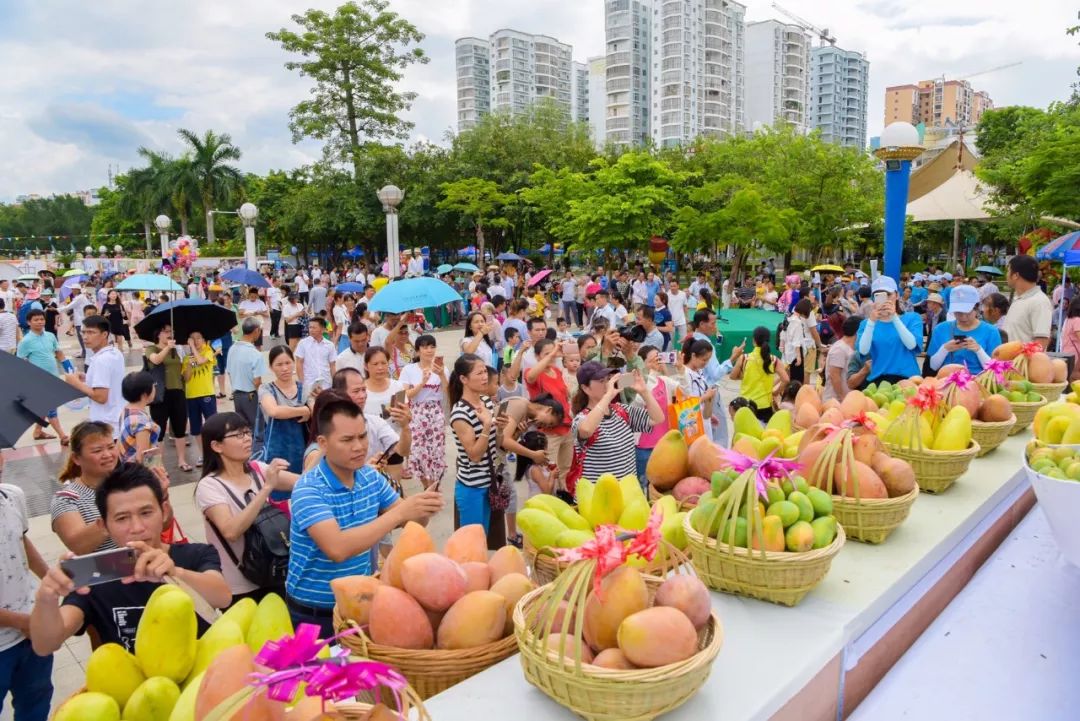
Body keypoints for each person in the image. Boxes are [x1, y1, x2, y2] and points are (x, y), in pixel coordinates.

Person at [30, 463, 231, 654]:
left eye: (146, 512)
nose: (137, 527)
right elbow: (46, 645)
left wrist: (175, 573)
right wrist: (46, 597)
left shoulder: (195, 554)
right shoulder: (96, 575)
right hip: (139, 688)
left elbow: (222, 596)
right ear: (103, 526)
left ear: (164, 512)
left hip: (204, 682)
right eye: (122, 518)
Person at [286, 397, 443, 635]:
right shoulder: (309, 488)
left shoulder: (369, 478)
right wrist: (400, 513)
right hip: (315, 612)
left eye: (362, 436)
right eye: (347, 440)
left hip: (359, 604)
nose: (359, 446)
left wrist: (422, 508)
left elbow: (411, 521)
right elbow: (337, 548)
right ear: (323, 443)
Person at [196, 413, 298, 602]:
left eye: (247, 432)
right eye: (237, 435)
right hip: (237, 587)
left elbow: (304, 483)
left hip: (272, 574)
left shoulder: (257, 469)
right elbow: (231, 531)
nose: (247, 438)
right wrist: (267, 488)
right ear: (216, 446)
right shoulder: (209, 486)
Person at [0, 478, 52, 721]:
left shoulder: (11, 495)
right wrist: (23, 622)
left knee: (36, 701)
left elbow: (21, 542)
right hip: (12, 636)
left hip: (31, 633)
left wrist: (51, 579)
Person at [570, 362, 664, 483]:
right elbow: (586, 430)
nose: (607, 384)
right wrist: (608, 395)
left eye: (608, 379)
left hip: (627, 493)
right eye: (601, 381)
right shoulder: (582, 418)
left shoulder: (620, 410)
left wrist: (644, 392)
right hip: (598, 496)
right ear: (585, 388)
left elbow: (657, 418)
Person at [448, 353, 504, 534]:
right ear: (464, 379)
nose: (485, 377)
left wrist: (502, 428)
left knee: (484, 536)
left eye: (484, 372)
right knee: (471, 542)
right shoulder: (460, 413)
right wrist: (487, 426)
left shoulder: (486, 401)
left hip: (490, 482)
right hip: (472, 487)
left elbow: (496, 445)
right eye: (479, 373)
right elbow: (474, 455)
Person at [65, 315, 126, 438]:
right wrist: (87, 378)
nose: (85, 337)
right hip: (117, 419)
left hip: (106, 424)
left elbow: (100, 397)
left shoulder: (101, 360)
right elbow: (110, 380)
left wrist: (76, 383)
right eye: (83, 332)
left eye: (91, 332)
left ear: (104, 334)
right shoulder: (115, 353)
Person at [400, 335, 448, 489]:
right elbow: (405, 395)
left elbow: (448, 392)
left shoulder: (442, 369)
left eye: (432, 347)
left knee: (436, 450)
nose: (429, 350)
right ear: (418, 350)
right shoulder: (409, 369)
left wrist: (441, 375)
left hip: (435, 412)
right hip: (416, 413)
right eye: (425, 347)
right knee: (418, 451)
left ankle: (434, 485)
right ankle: (426, 485)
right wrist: (422, 383)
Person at [856, 276, 923, 385]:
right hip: (878, 380)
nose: (885, 299)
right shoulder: (866, 324)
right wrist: (871, 322)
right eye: (878, 296)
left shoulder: (913, 318)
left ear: (897, 295)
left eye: (888, 295)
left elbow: (911, 345)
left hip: (909, 379)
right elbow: (863, 350)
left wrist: (894, 318)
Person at [16, 308, 70, 443]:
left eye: (42, 319)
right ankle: (63, 436)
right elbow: (20, 362)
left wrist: (69, 370)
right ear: (29, 322)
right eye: (36, 320)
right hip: (38, 380)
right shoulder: (25, 341)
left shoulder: (50, 336)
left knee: (45, 407)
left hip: (54, 377)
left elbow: (59, 354)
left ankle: (38, 431)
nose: (40, 322)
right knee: (51, 407)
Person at [258, 346, 311, 478]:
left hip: (302, 451)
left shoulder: (303, 387)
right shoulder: (266, 389)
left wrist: (311, 408)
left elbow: (316, 408)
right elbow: (273, 411)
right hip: (275, 454)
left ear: (293, 363)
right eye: (279, 364)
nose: (285, 368)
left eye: (288, 363)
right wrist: (304, 410)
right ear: (271, 367)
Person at [145, 325, 192, 471]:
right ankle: (159, 464)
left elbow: (186, 377)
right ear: (158, 334)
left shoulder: (178, 350)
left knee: (179, 428)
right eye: (166, 331)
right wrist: (167, 348)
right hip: (160, 394)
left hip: (178, 392)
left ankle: (182, 460)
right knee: (158, 431)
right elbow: (156, 360)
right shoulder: (151, 349)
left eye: (172, 331)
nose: (170, 334)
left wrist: (189, 364)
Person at [926, 285, 1001, 374]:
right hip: (947, 381)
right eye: (958, 313)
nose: (963, 318)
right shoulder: (941, 329)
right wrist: (944, 349)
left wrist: (979, 350)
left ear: (977, 308)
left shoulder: (991, 331)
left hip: (977, 382)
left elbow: (996, 369)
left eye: (968, 312)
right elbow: (933, 366)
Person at [730, 326, 789, 422]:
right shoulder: (774, 360)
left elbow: (732, 376)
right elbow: (786, 379)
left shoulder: (745, 358)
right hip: (765, 405)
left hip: (746, 404)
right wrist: (776, 392)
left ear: (754, 340)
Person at [181, 331, 217, 466]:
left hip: (206, 393)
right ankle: (203, 454)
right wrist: (189, 365)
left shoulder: (208, 351)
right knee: (196, 428)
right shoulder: (187, 358)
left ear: (203, 339)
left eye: (198, 338)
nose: (195, 341)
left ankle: (215, 452)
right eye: (192, 339)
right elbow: (186, 378)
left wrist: (193, 348)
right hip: (191, 396)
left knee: (212, 424)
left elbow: (201, 361)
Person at [226, 318, 268, 428]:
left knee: (243, 430)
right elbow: (257, 382)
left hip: (237, 395)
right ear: (256, 331)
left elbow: (229, 372)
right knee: (257, 429)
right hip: (251, 396)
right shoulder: (255, 354)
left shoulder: (232, 349)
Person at [1004, 254, 1053, 348]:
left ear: (1015, 275)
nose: (1006, 274)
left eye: (1008, 270)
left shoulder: (1039, 302)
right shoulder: (1019, 299)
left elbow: (1041, 342)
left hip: (1024, 362)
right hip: (1009, 361)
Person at [118, 372, 161, 464]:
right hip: (138, 474)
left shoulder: (127, 409)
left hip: (127, 469)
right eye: (154, 386)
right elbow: (142, 458)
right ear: (145, 394)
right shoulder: (141, 422)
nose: (155, 388)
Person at [823, 316, 869, 402]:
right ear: (857, 332)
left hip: (849, 399)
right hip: (836, 401)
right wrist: (842, 398)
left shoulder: (854, 348)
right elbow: (835, 376)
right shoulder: (839, 349)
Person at [296, 317, 336, 393]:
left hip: (326, 383)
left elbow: (332, 365)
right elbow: (299, 363)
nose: (311, 330)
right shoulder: (303, 343)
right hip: (309, 383)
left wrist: (335, 383)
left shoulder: (330, 345)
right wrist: (302, 382)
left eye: (314, 328)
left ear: (323, 329)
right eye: (310, 327)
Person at [781, 299, 815, 385]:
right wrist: (799, 357)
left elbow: (783, 334)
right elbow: (797, 341)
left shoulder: (788, 318)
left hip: (787, 353)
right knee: (797, 382)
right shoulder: (797, 322)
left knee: (788, 380)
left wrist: (782, 347)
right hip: (795, 355)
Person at [100, 288, 130, 353]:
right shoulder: (106, 305)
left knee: (119, 339)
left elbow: (125, 317)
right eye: (112, 294)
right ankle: (112, 352)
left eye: (115, 294)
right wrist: (105, 315)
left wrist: (124, 315)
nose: (114, 295)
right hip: (109, 324)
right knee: (111, 340)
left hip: (118, 323)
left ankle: (120, 351)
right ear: (108, 295)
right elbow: (101, 316)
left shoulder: (120, 305)